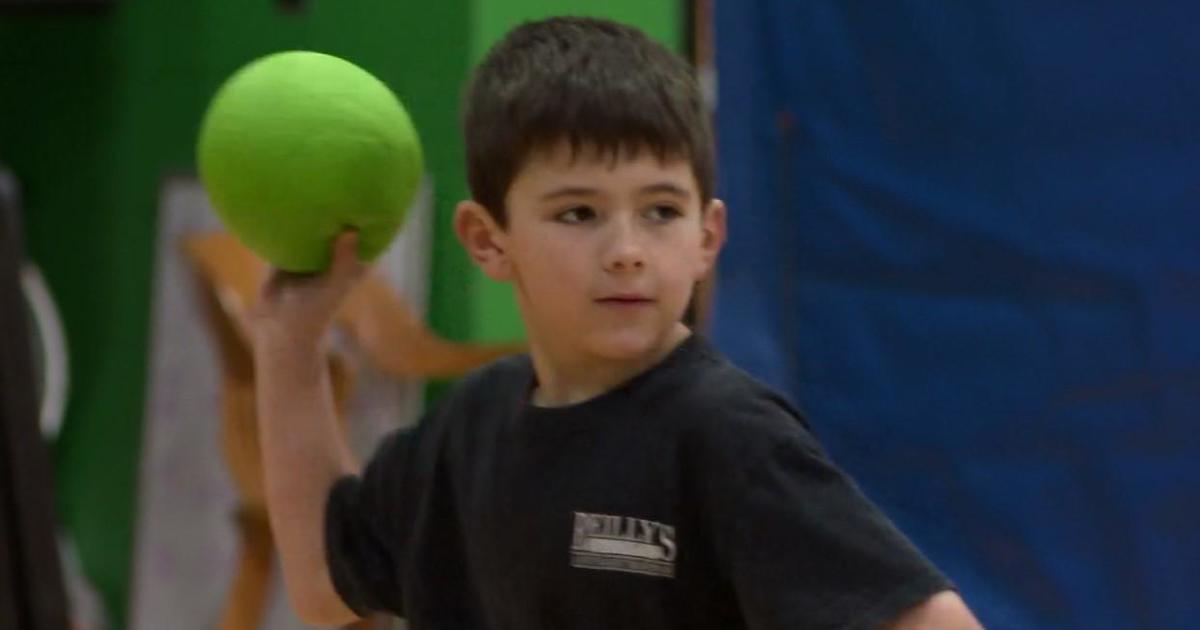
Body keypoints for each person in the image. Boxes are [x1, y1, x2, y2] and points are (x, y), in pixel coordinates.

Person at [250, 16, 983, 629]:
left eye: (661, 211)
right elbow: (322, 584)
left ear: (708, 237)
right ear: (487, 239)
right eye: (579, 213)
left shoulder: (727, 437)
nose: (628, 252)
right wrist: (290, 341)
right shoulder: (468, 428)